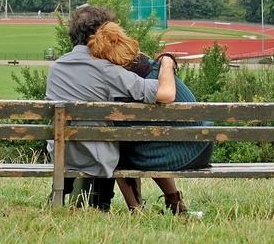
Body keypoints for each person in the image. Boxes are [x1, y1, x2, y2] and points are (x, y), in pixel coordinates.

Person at [45, 5, 177, 211]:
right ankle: (117, 205)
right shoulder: (107, 70)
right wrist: (167, 63)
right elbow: (165, 93)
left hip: (62, 156)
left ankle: (93, 202)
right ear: (103, 33)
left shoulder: (56, 69)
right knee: (121, 139)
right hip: (98, 159)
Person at [88, 22, 213, 214]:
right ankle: (175, 202)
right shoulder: (158, 69)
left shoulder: (128, 85)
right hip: (201, 147)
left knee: (118, 149)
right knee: (151, 141)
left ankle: (136, 209)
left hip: (178, 156)